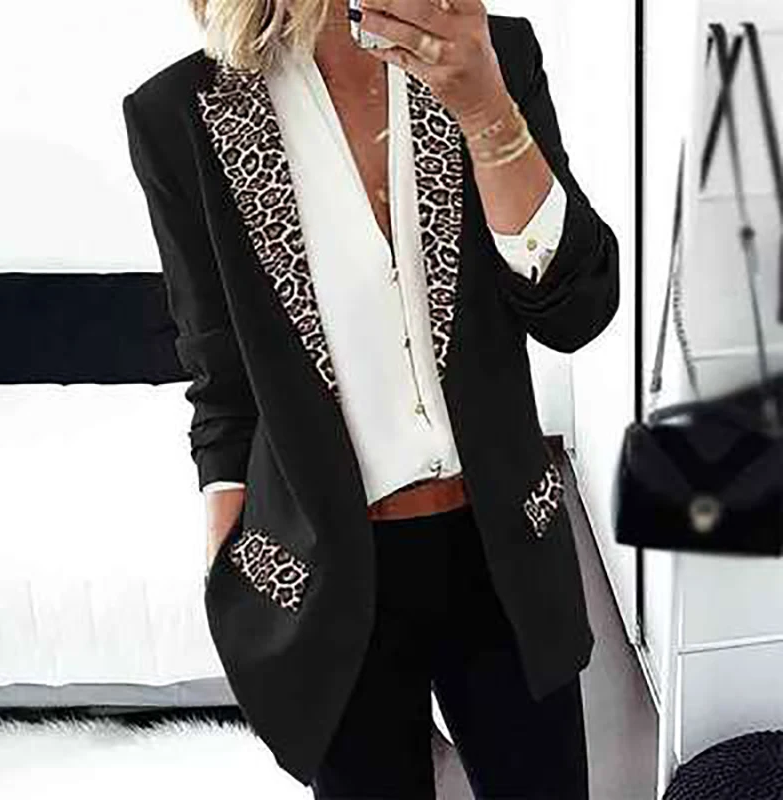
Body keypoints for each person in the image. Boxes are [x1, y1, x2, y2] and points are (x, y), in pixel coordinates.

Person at [122, 0, 620, 796]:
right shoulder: (179, 112)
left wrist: (487, 111)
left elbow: (578, 311)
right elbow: (220, 371)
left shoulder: (491, 53)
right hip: (331, 573)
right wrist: (229, 569)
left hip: (502, 548)